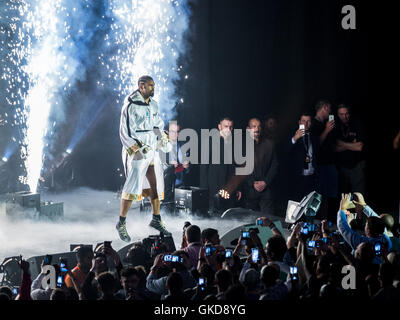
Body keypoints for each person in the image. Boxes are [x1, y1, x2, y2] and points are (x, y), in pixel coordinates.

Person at [117, 75, 172, 242]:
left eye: (154, 86)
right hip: (137, 151)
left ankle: (156, 218)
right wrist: (138, 148)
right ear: (141, 86)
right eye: (150, 86)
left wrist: (162, 138)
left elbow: (157, 125)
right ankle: (121, 223)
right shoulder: (130, 106)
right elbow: (125, 132)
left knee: (155, 184)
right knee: (132, 186)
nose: (153, 89)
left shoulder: (153, 104)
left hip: (152, 149)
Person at [200, 117, 240, 214]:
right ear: (219, 127)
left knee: (228, 217)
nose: (228, 129)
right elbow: (203, 168)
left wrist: (237, 187)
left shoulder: (234, 144)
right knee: (214, 218)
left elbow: (235, 168)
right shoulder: (209, 142)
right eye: (226, 126)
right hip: (213, 189)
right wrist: (203, 190)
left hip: (229, 189)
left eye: (230, 127)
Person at [337, 193, 392, 263]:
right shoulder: (386, 240)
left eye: (366, 225)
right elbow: (379, 222)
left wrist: (342, 208)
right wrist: (364, 206)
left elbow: (343, 229)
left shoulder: (363, 244)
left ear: (368, 230)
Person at [241, 118, 278, 215]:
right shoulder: (241, 146)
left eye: (259, 126)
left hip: (266, 191)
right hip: (249, 191)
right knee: (250, 223)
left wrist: (266, 182)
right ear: (248, 129)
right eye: (254, 126)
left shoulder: (270, 144)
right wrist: (252, 183)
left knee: (268, 221)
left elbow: (274, 166)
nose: (257, 129)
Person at [310, 100, 338, 221]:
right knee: (320, 196)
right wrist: (326, 130)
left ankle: (326, 221)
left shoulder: (326, 123)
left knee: (329, 196)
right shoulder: (314, 124)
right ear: (325, 107)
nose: (330, 111)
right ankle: (319, 222)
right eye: (329, 109)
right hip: (320, 165)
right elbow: (316, 144)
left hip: (330, 163)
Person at [285, 112, 318, 201]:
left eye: (308, 121)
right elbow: (285, 151)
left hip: (312, 177)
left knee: (310, 205)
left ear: (311, 123)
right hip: (297, 177)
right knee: (295, 204)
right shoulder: (292, 134)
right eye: (303, 121)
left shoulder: (314, 136)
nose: (306, 124)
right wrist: (295, 138)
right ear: (299, 122)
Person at [334, 104, 366, 194]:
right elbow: (334, 148)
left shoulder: (357, 123)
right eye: (341, 114)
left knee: (359, 197)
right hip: (341, 166)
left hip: (357, 165)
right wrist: (352, 144)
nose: (344, 117)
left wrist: (341, 143)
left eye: (346, 113)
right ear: (337, 114)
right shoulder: (335, 126)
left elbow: (360, 147)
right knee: (342, 197)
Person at [160, 121, 189, 212]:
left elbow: (187, 170)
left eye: (177, 132)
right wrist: (169, 164)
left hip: (179, 187)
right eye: (172, 131)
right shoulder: (160, 146)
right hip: (164, 189)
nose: (175, 134)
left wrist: (186, 166)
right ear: (167, 132)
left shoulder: (182, 147)